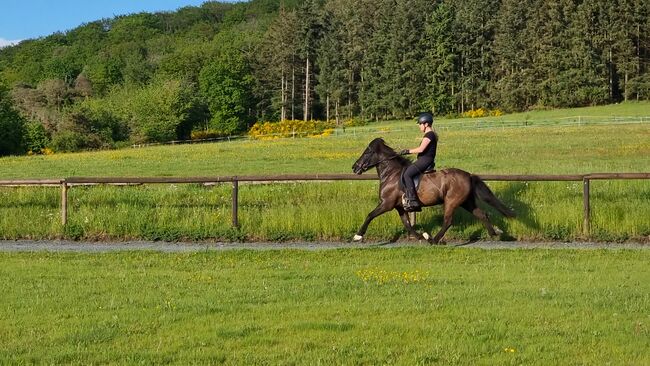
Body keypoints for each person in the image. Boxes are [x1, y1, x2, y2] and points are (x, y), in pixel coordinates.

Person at [399, 112, 438, 212]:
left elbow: (421, 149)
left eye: (420, 124)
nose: (419, 126)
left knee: (407, 174)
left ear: (426, 124)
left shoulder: (429, 135)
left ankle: (413, 200)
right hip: (424, 159)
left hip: (425, 160)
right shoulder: (430, 134)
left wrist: (407, 151)